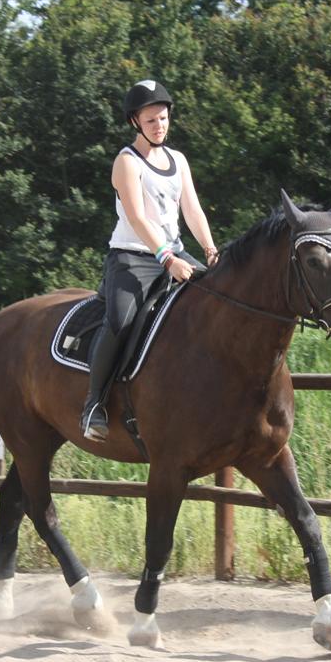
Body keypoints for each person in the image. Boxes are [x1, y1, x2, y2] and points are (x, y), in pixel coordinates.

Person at [80, 79, 219, 441]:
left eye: (164, 118)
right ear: (135, 122)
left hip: (175, 252)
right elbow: (138, 218)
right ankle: (94, 404)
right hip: (133, 258)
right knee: (121, 320)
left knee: (220, 302)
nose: (160, 125)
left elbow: (192, 209)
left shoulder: (179, 161)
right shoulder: (127, 162)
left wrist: (210, 249)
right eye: (152, 120)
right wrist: (167, 257)